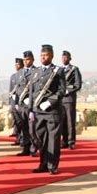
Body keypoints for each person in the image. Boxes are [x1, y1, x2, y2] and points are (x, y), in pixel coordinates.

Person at [29, 44, 66, 174]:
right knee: (41, 139)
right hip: (38, 111)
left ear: (51, 56)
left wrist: (50, 102)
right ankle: (43, 164)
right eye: (41, 55)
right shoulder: (36, 71)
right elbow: (32, 92)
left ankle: (52, 166)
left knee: (53, 140)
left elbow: (62, 90)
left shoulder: (58, 71)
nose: (43, 57)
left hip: (52, 111)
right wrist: (30, 110)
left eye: (46, 55)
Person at [14, 51, 38, 156]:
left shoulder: (37, 71)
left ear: (32, 60)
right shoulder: (20, 72)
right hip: (22, 104)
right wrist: (16, 102)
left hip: (31, 104)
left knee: (32, 128)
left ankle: (34, 148)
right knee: (23, 127)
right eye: (24, 60)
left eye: (27, 59)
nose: (25, 61)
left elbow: (38, 88)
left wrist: (31, 99)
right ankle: (26, 148)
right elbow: (18, 88)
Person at [61, 50, 82, 150]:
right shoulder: (59, 70)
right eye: (62, 57)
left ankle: (71, 142)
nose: (64, 59)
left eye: (65, 57)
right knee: (62, 121)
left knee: (70, 121)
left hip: (69, 99)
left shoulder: (74, 69)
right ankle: (64, 140)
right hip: (60, 100)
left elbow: (78, 85)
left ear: (69, 58)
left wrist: (68, 90)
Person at [9, 58, 24, 146]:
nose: (16, 66)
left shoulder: (24, 74)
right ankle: (18, 138)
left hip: (21, 102)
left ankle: (23, 139)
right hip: (14, 102)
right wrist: (10, 104)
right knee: (16, 122)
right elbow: (10, 91)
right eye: (16, 65)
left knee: (22, 122)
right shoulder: (13, 76)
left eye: (18, 64)